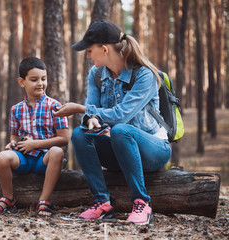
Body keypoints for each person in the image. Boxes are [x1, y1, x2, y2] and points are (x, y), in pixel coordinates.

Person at [53, 21, 172, 225]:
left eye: (90, 51)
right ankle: (102, 202)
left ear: (105, 49)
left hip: (154, 150)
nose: (88, 56)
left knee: (121, 130)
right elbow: (92, 108)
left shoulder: (144, 74)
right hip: (120, 149)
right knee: (79, 135)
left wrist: (81, 109)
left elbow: (120, 116)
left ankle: (141, 203)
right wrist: (90, 119)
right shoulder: (97, 75)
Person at [0, 57, 69, 217]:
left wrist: (35, 144)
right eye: (34, 80)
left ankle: (44, 201)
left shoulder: (55, 106)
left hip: (44, 160)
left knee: (57, 152)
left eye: (43, 79)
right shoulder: (15, 110)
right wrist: (12, 143)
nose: (40, 83)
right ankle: (8, 198)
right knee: (2, 157)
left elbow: (64, 139)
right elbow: (14, 135)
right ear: (22, 82)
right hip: (24, 159)